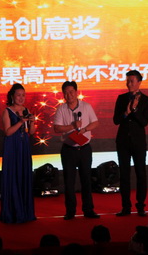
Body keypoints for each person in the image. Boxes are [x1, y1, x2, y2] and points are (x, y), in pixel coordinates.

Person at [53, 81, 100, 220]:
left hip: (84, 148)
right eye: (66, 93)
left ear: (76, 92)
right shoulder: (61, 109)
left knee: (86, 180)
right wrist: (72, 126)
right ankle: (70, 211)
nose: (69, 95)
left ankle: (88, 210)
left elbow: (95, 122)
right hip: (68, 149)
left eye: (71, 92)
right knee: (69, 181)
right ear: (63, 95)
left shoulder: (86, 106)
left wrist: (84, 129)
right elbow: (57, 128)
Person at [113, 70, 148, 217]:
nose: (129, 84)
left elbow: (144, 122)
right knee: (124, 175)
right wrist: (126, 113)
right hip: (123, 141)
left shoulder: (147, 100)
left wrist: (134, 110)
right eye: (127, 81)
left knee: (140, 173)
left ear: (139, 82)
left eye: (132, 81)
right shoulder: (121, 98)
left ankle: (141, 206)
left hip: (138, 142)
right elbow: (116, 120)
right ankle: (126, 207)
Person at [0, 83, 36, 223]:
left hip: (24, 146)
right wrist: (21, 122)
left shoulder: (26, 110)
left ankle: (25, 211)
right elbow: (8, 132)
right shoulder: (7, 111)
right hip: (12, 147)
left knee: (24, 175)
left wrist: (32, 122)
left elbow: (31, 132)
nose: (21, 98)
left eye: (23, 95)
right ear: (12, 96)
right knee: (13, 175)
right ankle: (13, 212)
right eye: (18, 95)